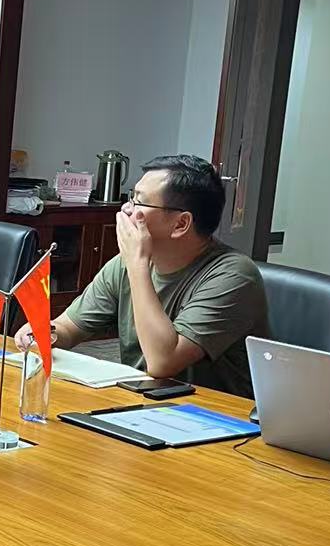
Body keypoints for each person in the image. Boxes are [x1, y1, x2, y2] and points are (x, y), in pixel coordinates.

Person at [16, 154, 267, 397]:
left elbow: (162, 363)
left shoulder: (234, 275)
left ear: (181, 224)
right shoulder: (125, 264)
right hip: (141, 401)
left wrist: (137, 264)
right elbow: (70, 327)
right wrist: (45, 333)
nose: (126, 209)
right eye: (130, 198)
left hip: (210, 415)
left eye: (139, 202)